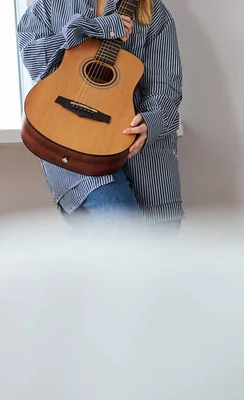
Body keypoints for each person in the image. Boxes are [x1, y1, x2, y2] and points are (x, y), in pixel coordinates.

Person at [17, 0, 184, 234]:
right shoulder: (49, 4)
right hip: (71, 143)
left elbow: (165, 87)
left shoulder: (155, 12)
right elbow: (34, 59)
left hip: (147, 161)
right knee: (121, 228)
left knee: (157, 260)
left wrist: (150, 123)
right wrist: (93, 28)